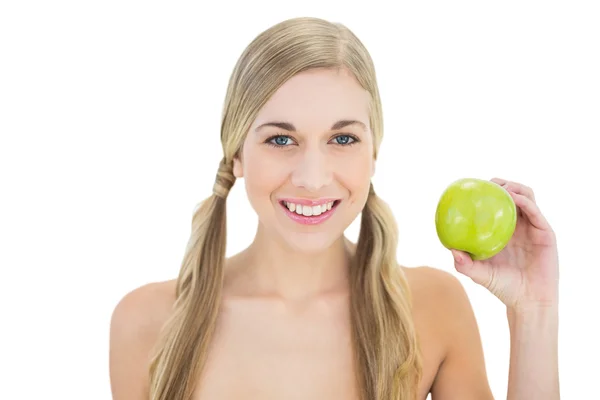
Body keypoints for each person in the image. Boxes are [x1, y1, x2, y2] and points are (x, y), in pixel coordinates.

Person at [108, 17, 560, 400]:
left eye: (342, 139)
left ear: (373, 153)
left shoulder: (434, 306)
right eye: (281, 139)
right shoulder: (147, 321)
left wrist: (534, 311)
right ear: (237, 155)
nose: (312, 177)